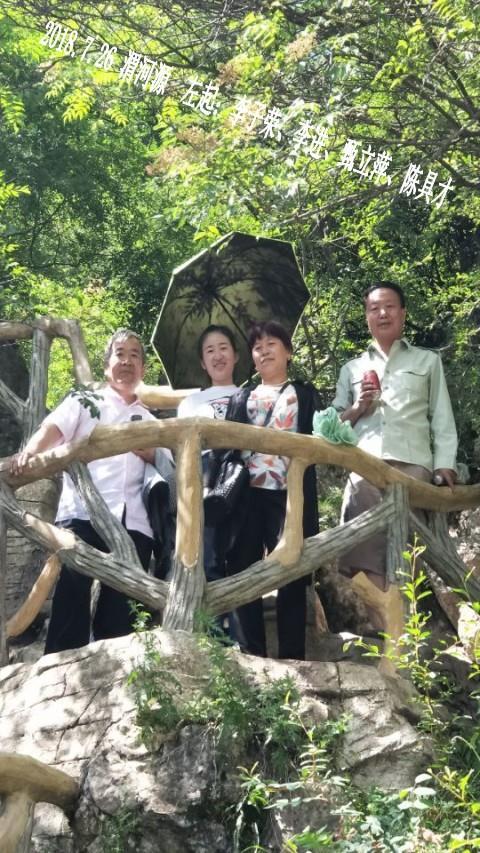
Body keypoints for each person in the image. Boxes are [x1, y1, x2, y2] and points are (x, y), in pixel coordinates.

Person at [11, 328, 172, 653]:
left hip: (134, 522)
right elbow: (52, 429)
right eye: (120, 354)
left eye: (135, 355)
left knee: (121, 614)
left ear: (143, 368)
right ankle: (59, 669)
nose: (127, 361)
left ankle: (112, 675)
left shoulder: (150, 418)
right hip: (82, 513)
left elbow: (170, 469)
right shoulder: (85, 401)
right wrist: (28, 453)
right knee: (70, 601)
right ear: (106, 364)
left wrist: (152, 454)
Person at [332, 281, 458, 593]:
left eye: (389, 306)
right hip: (364, 465)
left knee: (407, 553)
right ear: (367, 317)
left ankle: (402, 616)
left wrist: (445, 464)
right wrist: (358, 407)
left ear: (402, 313)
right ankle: (382, 618)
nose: (382, 313)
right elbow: (331, 427)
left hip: (412, 466)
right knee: (359, 550)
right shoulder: (352, 368)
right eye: (374, 308)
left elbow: (441, 416)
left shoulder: (427, 361)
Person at [210, 320, 320, 660]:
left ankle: (292, 656)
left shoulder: (304, 393)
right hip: (246, 494)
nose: (264, 351)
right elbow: (225, 448)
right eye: (258, 347)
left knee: (291, 568)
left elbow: (322, 435)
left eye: (272, 343)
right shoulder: (242, 396)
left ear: (288, 351)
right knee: (243, 567)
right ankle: (250, 654)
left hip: (288, 492)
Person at [177, 325, 239, 636]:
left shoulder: (248, 395)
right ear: (203, 362)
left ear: (236, 355)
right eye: (210, 350)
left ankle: (244, 640)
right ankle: (216, 638)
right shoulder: (191, 402)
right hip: (203, 476)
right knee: (209, 554)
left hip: (240, 476)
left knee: (240, 555)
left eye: (223, 347)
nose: (218, 355)